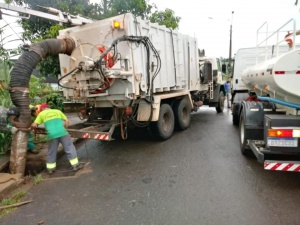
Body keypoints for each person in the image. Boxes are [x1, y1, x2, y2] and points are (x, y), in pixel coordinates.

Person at [31, 103, 80, 174]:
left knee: (52, 151)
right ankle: (75, 166)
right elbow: (67, 121)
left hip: (52, 135)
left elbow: (34, 125)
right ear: (49, 107)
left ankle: (51, 169)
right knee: (69, 148)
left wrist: (31, 127)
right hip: (63, 133)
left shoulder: (41, 114)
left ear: (42, 109)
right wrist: (65, 129)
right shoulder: (57, 111)